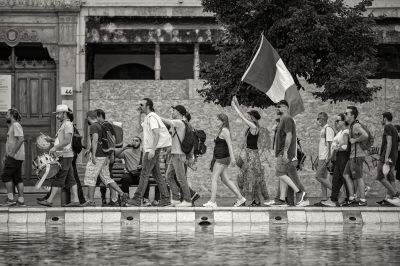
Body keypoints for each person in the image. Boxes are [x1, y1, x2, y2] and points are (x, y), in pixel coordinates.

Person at [126, 98, 172, 207]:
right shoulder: (147, 118)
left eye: (141, 105)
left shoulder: (152, 117)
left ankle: (137, 199)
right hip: (151, 149)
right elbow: (139, 129)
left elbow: (157, 133)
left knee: (144, 174)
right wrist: (139, 114)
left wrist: (152, 150)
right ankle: (166, 199)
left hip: (151, 150)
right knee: (157, 176)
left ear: (148, 106)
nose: (139, 106)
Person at [82, 111, 129, 207]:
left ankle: (90, 201)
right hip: (104, 155)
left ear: (88, 117)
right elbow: (102, 140)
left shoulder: (94, 126)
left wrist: (93, 154)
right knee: (106, 177)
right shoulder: (101, 125)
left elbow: (95, 140)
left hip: (98, 156)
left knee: (90, 177)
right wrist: (90, 150)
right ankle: (122, 194)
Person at [37, 105, 80, 207]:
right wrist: (51, 140)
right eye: (57, 114)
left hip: (65, 156)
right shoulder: (64, 125)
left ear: (64, 114)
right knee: (71, 179)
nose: (57, 116)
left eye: (59, 114)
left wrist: (55, 148)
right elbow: (61, 140)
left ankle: (49, 200)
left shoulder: (68, 125)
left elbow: (67, 140)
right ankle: (76, 200)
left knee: (59, 178)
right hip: (65, 155)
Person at [231, 96, 271, 206]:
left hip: (253, 157)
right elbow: (243, 115)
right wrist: (237, 103)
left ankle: (249, 200)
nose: (248, 117)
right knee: (244, 177)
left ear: (253, 118)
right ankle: (254, 200)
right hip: (249, 156)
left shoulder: (253, 126)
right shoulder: (252, 126)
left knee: (251, 178)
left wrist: (235, 107)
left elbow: (242, 117)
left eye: (249, 116)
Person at [203, 113, 246, 208]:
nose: (215, 121)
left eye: (217, 120)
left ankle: (212, 201)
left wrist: (233, 158)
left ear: (223, 121)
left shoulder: (225, 130)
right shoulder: (221, 130)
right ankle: (240, 198)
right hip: (221, 157)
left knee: (214, 178)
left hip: (222, 158)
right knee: (225, 179)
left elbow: (230, 144)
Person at [272, 100, 308, 207]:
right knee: (282, 175)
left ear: (286, 107)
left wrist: (285, 152)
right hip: (282, 152)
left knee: (279, 173)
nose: (278, 108)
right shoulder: (284, 119)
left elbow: (289, 135)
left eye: (280, 106)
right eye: (277, 106)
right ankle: (282, 200)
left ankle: (299, 192)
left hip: (284, 152)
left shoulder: (287, 118)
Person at [160, 105, 192, 207]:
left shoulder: (180, 122)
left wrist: (153, 115)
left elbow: (167, 121)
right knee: (168, 176)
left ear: (178, 112)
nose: (172, 113)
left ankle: (187, 200)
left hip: (178, 155)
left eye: (173, 111)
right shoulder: (177, 124)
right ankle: (175, 199)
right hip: (174, 155)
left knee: (181, 178)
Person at [115, 136, 159, 205]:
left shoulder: (144, 153)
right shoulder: (126, 152)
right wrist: (124, 148)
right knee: (125, 178)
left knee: (145, 179)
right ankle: (127, 199)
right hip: (130, 175)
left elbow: (149, 164)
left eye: (136, 141)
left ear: (140, 143)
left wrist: (142, 166)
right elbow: (116, 154)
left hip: (139, 175)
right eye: (133, 140)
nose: (134, 142)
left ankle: (145, 200)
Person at [322, 113, 350, 207]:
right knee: (336, 179)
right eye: (335, 121)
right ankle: (334, 199)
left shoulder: (346, 132)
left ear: (343, 121)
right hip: (339, 156)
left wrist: (337, 148)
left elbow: (345, 147)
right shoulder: (340, 132)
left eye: (338, 121)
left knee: (342, 178)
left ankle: (347, 198)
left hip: (343, 156)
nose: (336, 123)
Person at [342, 106, 368, 206]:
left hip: (357, 155)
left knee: (358, 177)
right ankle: (352, 197)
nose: (345, 115)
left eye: (346, 113)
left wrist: (356, 140)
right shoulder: (352, 126)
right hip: (353, 155)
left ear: (352, 115)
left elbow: (365, 135)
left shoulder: (356, 125)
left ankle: (363, 200)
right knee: (346, 174)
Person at [1, 108, 25, 206]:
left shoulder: (16, 125)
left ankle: (10, 199)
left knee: (6, 175)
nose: (6, 116)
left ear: (11, 116)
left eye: (7, 114)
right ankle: (21, 200)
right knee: (17, 178)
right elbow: (10, 142)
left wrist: (12, 153)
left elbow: (21, 139)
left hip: (14, 157)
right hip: (16, 156)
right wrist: (5, 155)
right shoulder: (12, 126)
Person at [376, 112, 400, 206]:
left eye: (381, 118)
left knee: (380, 176)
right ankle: (391, 199)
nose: (381, 120)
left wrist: (386, 157)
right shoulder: (394, 128)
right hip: (393, 156)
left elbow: (389, 143)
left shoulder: (388, 127)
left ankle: (395, 194)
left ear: (385, 118)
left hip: (387, 157)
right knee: (390, 178)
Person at [95, 109, 118, 206]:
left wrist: (110, 155)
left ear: (100, 116)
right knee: (104, 178)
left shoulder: (105, 125)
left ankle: (114, 199)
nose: (95, 119)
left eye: (96, 116)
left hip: (106, 156)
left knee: (107, 177)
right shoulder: (104, 125)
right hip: (105, 155)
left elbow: (112, 140)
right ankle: (106, 199)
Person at [314, 112, 335, 205]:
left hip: (325, 157)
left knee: (318, 176)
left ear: (323, 119)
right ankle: (324, 198)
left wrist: (329, 158)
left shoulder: (328, 129)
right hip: (322, 157)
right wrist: (318, 158)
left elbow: (331, 144)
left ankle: (336, 192)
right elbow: (323, 145)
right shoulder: (323, 130)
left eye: (319, 118)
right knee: (322, 177)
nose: (318, 120)